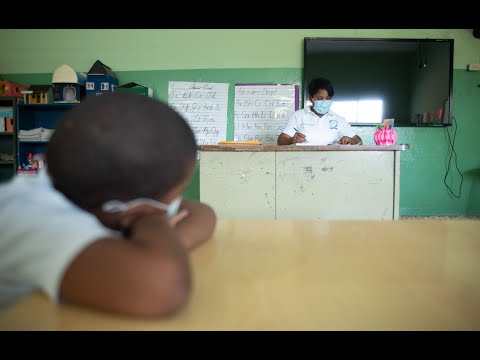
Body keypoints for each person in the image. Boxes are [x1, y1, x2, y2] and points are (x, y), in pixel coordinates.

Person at [0, 92, 216, 317]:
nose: (176, 201)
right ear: (130, 209)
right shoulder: (29, 217)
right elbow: (163, 289)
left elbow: (202, 212)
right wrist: (155, 225)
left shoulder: (97, 188)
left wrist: (164, 242)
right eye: (176, 194)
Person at [277, 77, 363, 146]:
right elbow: (281, 141)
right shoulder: (298, 116)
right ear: (311, 98)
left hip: (332, 163)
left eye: (328, 98)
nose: (325, 101)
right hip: (303, 162)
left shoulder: (338, 119)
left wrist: (351, 140)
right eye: (320, 98)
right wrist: (292, 139)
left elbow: (359, 141)